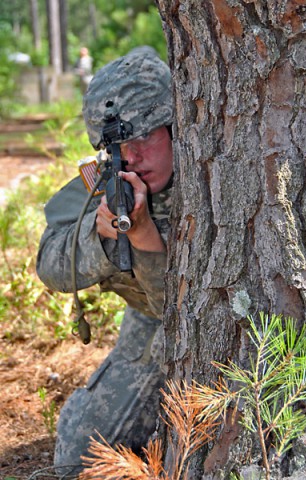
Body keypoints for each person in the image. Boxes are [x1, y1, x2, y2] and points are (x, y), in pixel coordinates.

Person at [36, 46, 173, 477]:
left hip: (236, 331)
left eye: (145, 136)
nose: (130, 157)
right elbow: (51, 264)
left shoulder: (218, 175)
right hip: (149, 328)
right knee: (81, 458)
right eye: (116, 146)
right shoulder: (107, 185)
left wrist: (146, 236)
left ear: (177, 125)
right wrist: (102, 234)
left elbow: (182, 306)